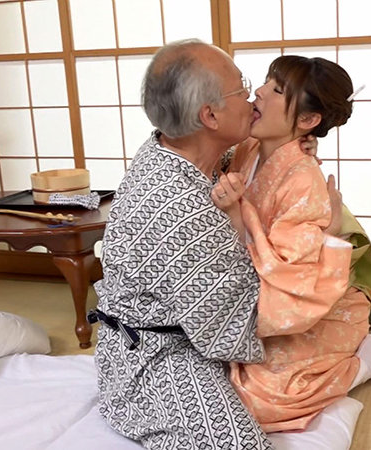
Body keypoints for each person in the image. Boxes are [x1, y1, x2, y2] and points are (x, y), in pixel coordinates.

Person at [91, 39, 272, 449]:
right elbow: (226, 328)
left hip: (163, 329)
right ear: (209, 115)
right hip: (155, 353)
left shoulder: (167, 148)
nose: (252, 97)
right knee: (239, 444)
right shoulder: (182, 211)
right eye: (242, 88)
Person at [213, 55, 371, 433]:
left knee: (255, 399)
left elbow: (289, 277)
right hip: (247, 290)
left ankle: (365, 361)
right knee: (202, 367)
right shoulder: (248, 147)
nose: (258, 92)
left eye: (276, 90)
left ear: (307, 120)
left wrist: (235, 213)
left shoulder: (302, 180)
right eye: (266, 82)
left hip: (302, 308)